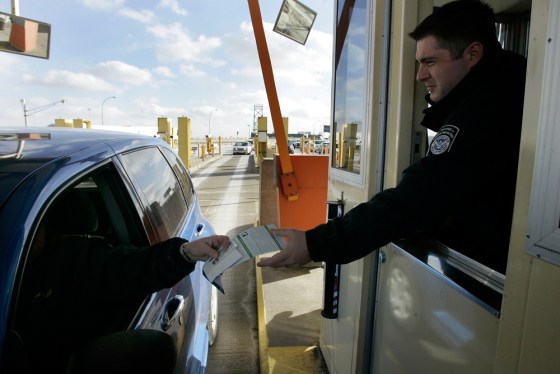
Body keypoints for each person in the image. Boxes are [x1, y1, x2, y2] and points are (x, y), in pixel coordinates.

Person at [258, 0, 527, 274]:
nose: (421, 75)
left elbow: (420, 195)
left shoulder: (491, 107)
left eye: (430, 62)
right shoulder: (507, 88)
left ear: (473, 54)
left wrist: (315, 243)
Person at [14, 191, 230, 374]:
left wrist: (185, 252)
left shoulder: (74, 259)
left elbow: (133, 266)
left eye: (26, 226)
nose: (21, 238)